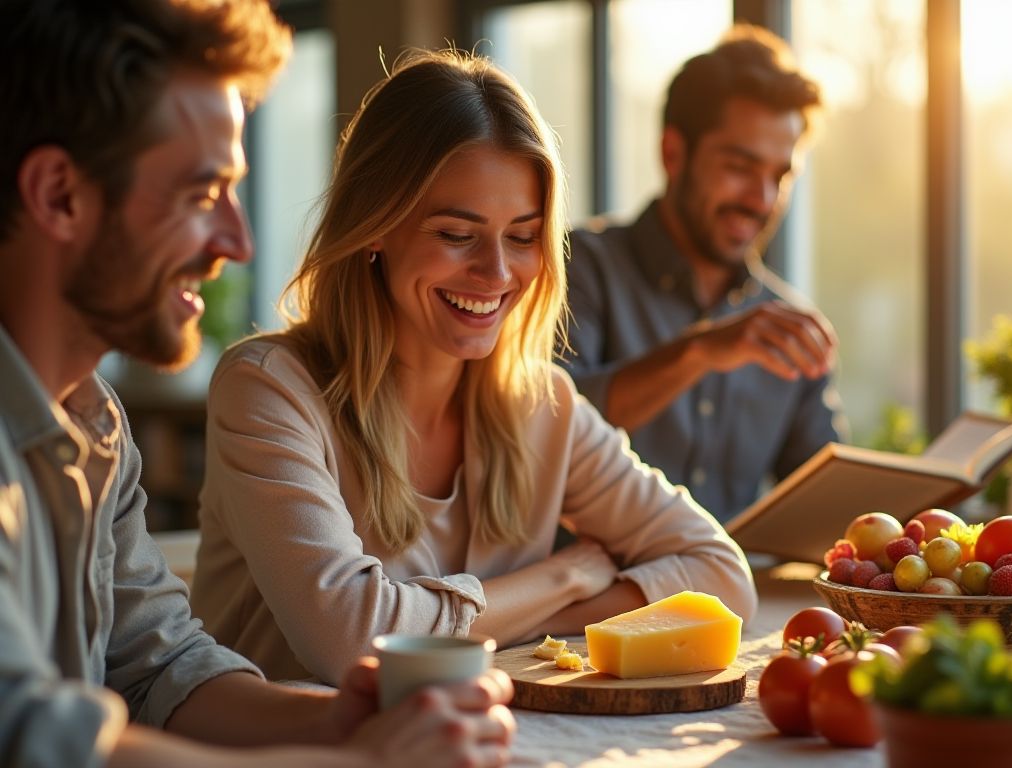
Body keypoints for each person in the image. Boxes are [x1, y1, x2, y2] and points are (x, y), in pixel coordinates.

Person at [0, 2, 514, 766]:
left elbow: (160, 669)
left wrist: (333, 723)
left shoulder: (92, 424)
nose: (237, 241)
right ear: (59, 195)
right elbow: (27, 736)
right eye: (204, 192)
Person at [188, 47, 758, 686]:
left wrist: (490, 620)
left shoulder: (544, 404)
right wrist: (560, 578)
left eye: (522, 237)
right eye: (456, 234)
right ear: (375, 224)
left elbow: (721, 576)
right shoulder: (268, 390)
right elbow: (353, 640)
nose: (496, 273)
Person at [562, 24, 847, 524]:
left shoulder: (789, 323)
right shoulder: (578, 266)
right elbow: (540, 429)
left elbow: (824, 509)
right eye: (740, 166)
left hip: (735, 601)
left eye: (779, 177)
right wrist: (700, 351)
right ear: (673, 153)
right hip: (593, 599)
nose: (761, 200)